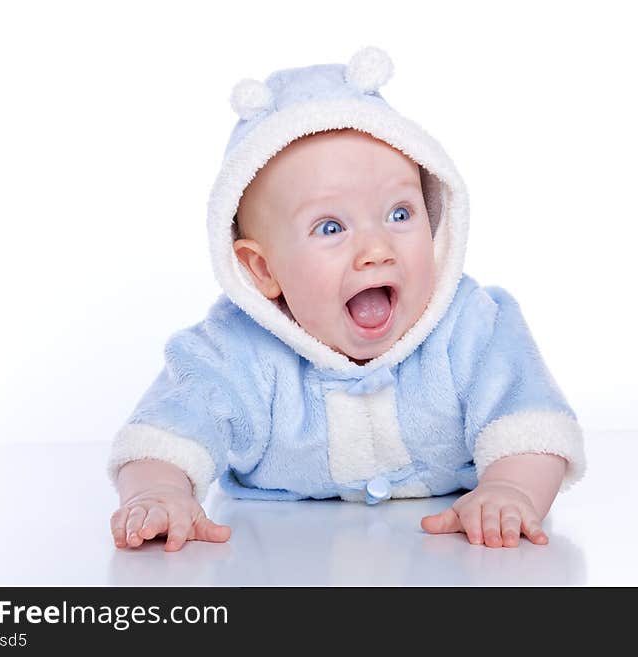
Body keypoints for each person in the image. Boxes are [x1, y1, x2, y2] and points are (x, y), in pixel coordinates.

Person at [108, 46, 586, 552]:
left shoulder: (473, 325)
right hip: (282, 555)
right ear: (263, 269)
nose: (376, 250)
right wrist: (159, 492)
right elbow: (167, 431)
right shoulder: (234, 350)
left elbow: (530, 423)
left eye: (400, 214)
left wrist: (510, 488)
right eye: (331, 227)